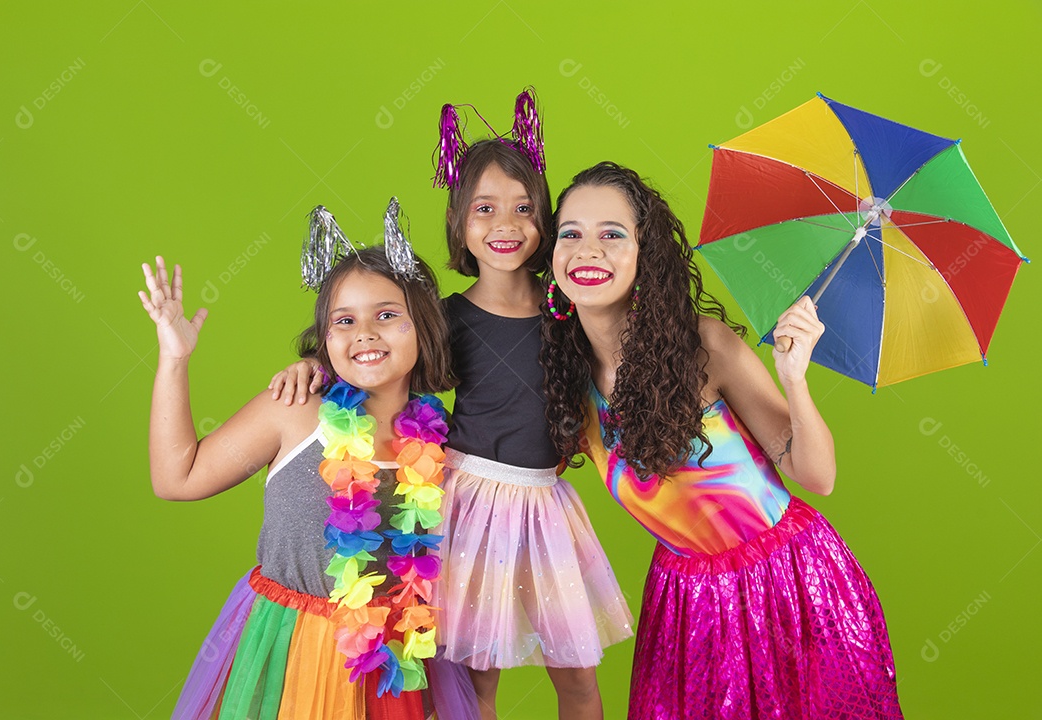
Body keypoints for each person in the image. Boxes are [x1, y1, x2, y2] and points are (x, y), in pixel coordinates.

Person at [269, 93, 633, 720]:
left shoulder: (568, 310)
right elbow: (380, 359)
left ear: (545, 220)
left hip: (544, 505)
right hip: (468, 505)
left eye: (523, 209)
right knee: (472, 685)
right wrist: (315, 366)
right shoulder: (448, 317)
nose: (505, 225)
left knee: (578, 680)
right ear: (460, 222)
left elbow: (617, 371)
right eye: (485, 210)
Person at [539, 162, 902, 719]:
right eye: (572, 233)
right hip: (687, 601)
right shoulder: (565, 375)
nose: (588, 250)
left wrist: (793, 379)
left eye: (612, 234)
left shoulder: (704, 347)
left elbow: (818, 478)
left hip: (787, 585)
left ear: (645, 253)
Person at [141, 202, 479, 720]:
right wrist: (174, 360)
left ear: (424, 328)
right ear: (325, 340)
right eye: (344, 320)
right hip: (287, 657)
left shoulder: (440, 441)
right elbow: (176, 478)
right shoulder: (295, 410)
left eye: (387, 315)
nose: (364, 333)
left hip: (391, 672)